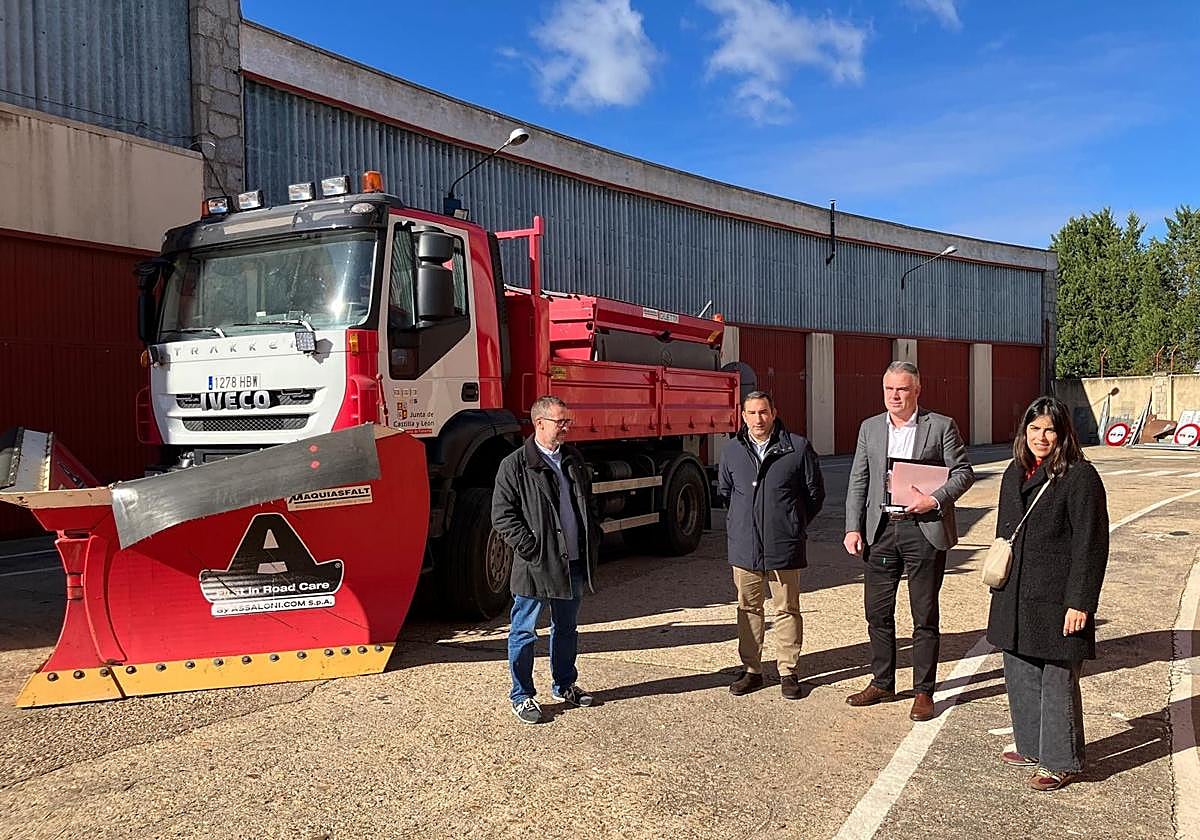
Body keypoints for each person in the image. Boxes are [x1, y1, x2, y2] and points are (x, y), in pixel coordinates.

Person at [987, 396, 1108, 791]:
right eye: (1034, 428)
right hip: (1016, 593)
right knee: (1019, 669)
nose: (1041, 437)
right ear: (1024, 431)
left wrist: (1081, 602)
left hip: (1057, 597)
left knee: (1057, 678)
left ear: (1063, 434)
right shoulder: (1014, 472)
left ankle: (1062, 760)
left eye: (1049, 429)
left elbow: (1091, 545)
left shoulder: (1080, 477)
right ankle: (1030, 746)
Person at [842, 361, 975, 721]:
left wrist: (934, 499)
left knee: (924, 614)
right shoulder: (870, 428)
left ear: (917, 390)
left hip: (923, 529)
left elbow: (964, 473)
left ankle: (923, 691)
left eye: (902, 389)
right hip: (881, 531)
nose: (894, 396)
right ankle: (882, 682)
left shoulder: (941, 426)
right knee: (878, 612)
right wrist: (852, 527)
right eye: (889, 389)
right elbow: (859, 479)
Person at [491, 395, 601, 725]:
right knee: (524, 632)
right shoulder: (514, 465)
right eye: (560, 422)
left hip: (573, 563)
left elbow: (587, 503)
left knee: (566, 628)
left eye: (568, 421)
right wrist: (532, 549)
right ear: (540, 423)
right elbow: (502, 515)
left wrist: (593, 534)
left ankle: (564, 684)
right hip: (536, 566)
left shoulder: (573, 459)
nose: (566, 427)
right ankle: (521, 695)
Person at [717, 391, 826, 699]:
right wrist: (742, 524)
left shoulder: (798, 447)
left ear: (774, 413)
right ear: (743, 417)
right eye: (751, 413)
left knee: (787, 608)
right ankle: (752, 670)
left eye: (763, 412)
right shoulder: (732, 451)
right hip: (745, 546)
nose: (758, 419)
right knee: (748, 608)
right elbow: (726, 493)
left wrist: (791, 523)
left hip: (784, 544)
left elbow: (814, 494)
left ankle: (788, 672)